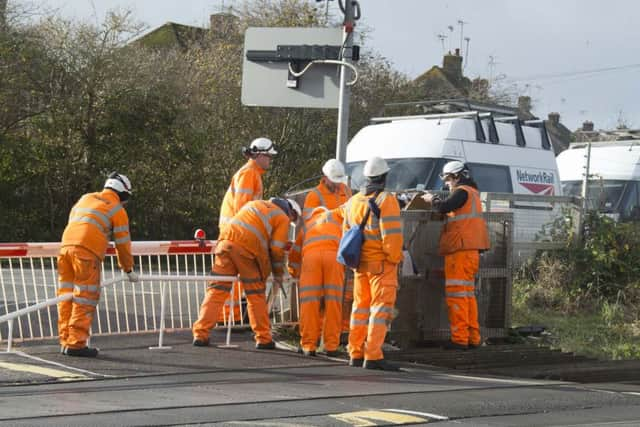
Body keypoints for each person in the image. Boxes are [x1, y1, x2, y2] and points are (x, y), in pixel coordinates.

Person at [192, 197, 301, 349]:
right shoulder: (281, 217)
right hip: (247, 252)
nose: (290, 221)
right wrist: (278, 273)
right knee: (255, 295)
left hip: (225, 244)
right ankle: (263, 338)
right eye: (292, 218)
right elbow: (276, 250)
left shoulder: (254, 204)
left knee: (216, 291)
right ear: (289, 210)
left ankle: (200, 334)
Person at [57, 172, 138, 357]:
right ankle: (76, 344)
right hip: (86, 252)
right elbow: (123, 244)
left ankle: (65, 340)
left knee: (66, 296)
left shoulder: (86, 198)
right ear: (123, 194)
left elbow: (75, 220)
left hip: (66, 248)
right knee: (85, 297)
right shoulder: (117, 210)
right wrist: (128, 269)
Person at [343, 156, 403, 371]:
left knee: (359, 309)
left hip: (360, 264)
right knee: (379, 310)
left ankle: (355, 352)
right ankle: (373, 355)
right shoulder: (386, 200)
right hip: (381, 264)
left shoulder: (353, 201)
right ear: (384, 176)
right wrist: (395, 259)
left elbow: (346, 232)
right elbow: (392, 236)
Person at [422, 160, 490, 350]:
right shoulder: (473, 193)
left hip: (460, 251)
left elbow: (443, 207)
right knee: (468, 296)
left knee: (457, 296)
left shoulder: (462, 192)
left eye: (448, 179)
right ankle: (472, 337)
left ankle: (460, 339)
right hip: (470, 251)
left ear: (457, 176)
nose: (447, 183)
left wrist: (431, 199)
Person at [218, 137, 277, 322]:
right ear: (259, 155)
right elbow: (242, 209)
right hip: (237, 234)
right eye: (268, 156)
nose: (270, 160)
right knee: (232, 277)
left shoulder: (252, 173)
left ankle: (231, 316)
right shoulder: (249, 174)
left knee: (231, 277)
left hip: (235, 233)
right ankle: (230, 316)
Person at [288, 206, 344, 357]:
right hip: (334, 257)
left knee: (309, 303)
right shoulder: (337, 218)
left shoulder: (308, 224)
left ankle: (308, 345)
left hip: (311, 259)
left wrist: (294, 272)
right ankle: (331, 346)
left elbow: (295, 253)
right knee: (333, 302)